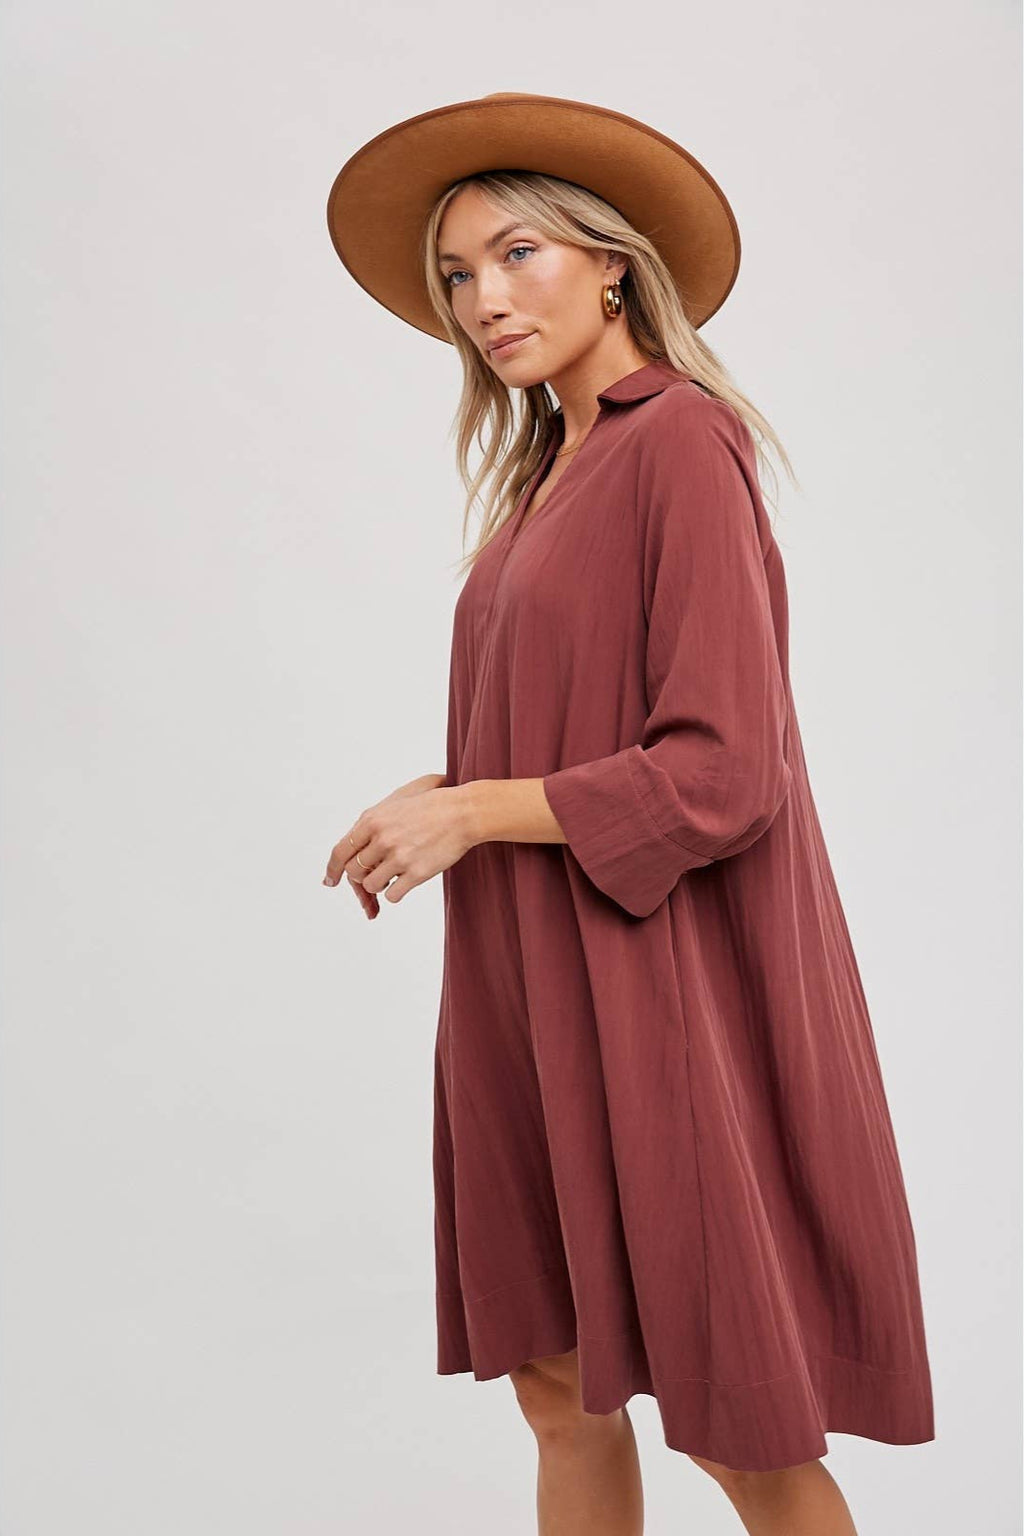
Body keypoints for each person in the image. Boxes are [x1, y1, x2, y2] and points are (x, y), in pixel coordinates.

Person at [322, 92, 935, 1535]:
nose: (483, 299)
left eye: (515, 253)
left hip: (652, 988)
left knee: (737, 1425)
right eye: (458, 276)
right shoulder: (552, 469)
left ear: (611, 262)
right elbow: (567, 712)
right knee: (557, 1381)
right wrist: (446, 789)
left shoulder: (680, 444)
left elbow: (727, 768)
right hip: (529, 982)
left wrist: (478, 812)